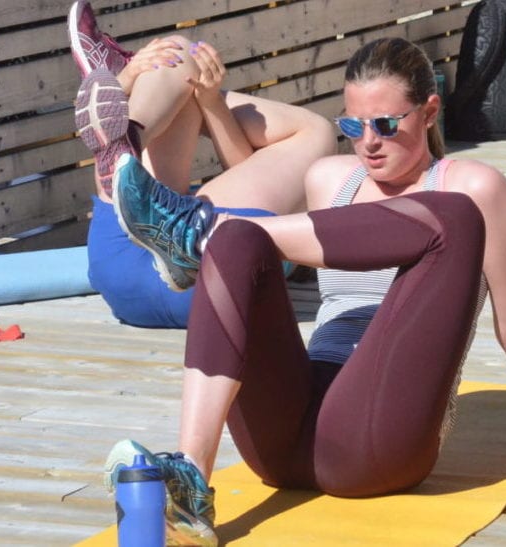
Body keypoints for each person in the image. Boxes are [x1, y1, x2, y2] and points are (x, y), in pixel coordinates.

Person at [98, 37, 506, 545]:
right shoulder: (329, 179)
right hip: (282, 441)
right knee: (237, 244)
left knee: (451, 217)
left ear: (429, 113)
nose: (369, 143)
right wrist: (164, 85)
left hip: (374, 445)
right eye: (352, 126)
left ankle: (201, 233)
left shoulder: (475, 188)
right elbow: (247, 165)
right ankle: (193, 479)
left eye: (385, 123)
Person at [67, 0, 335, 327]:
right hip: (211, 280)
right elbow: (243, 169)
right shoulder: (334, 185)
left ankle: (128, 122)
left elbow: (244, 169)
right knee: (317, 131)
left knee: (181, 56)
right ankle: (130, 115)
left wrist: (198, 96)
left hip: (120, 273)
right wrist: (207, 100)